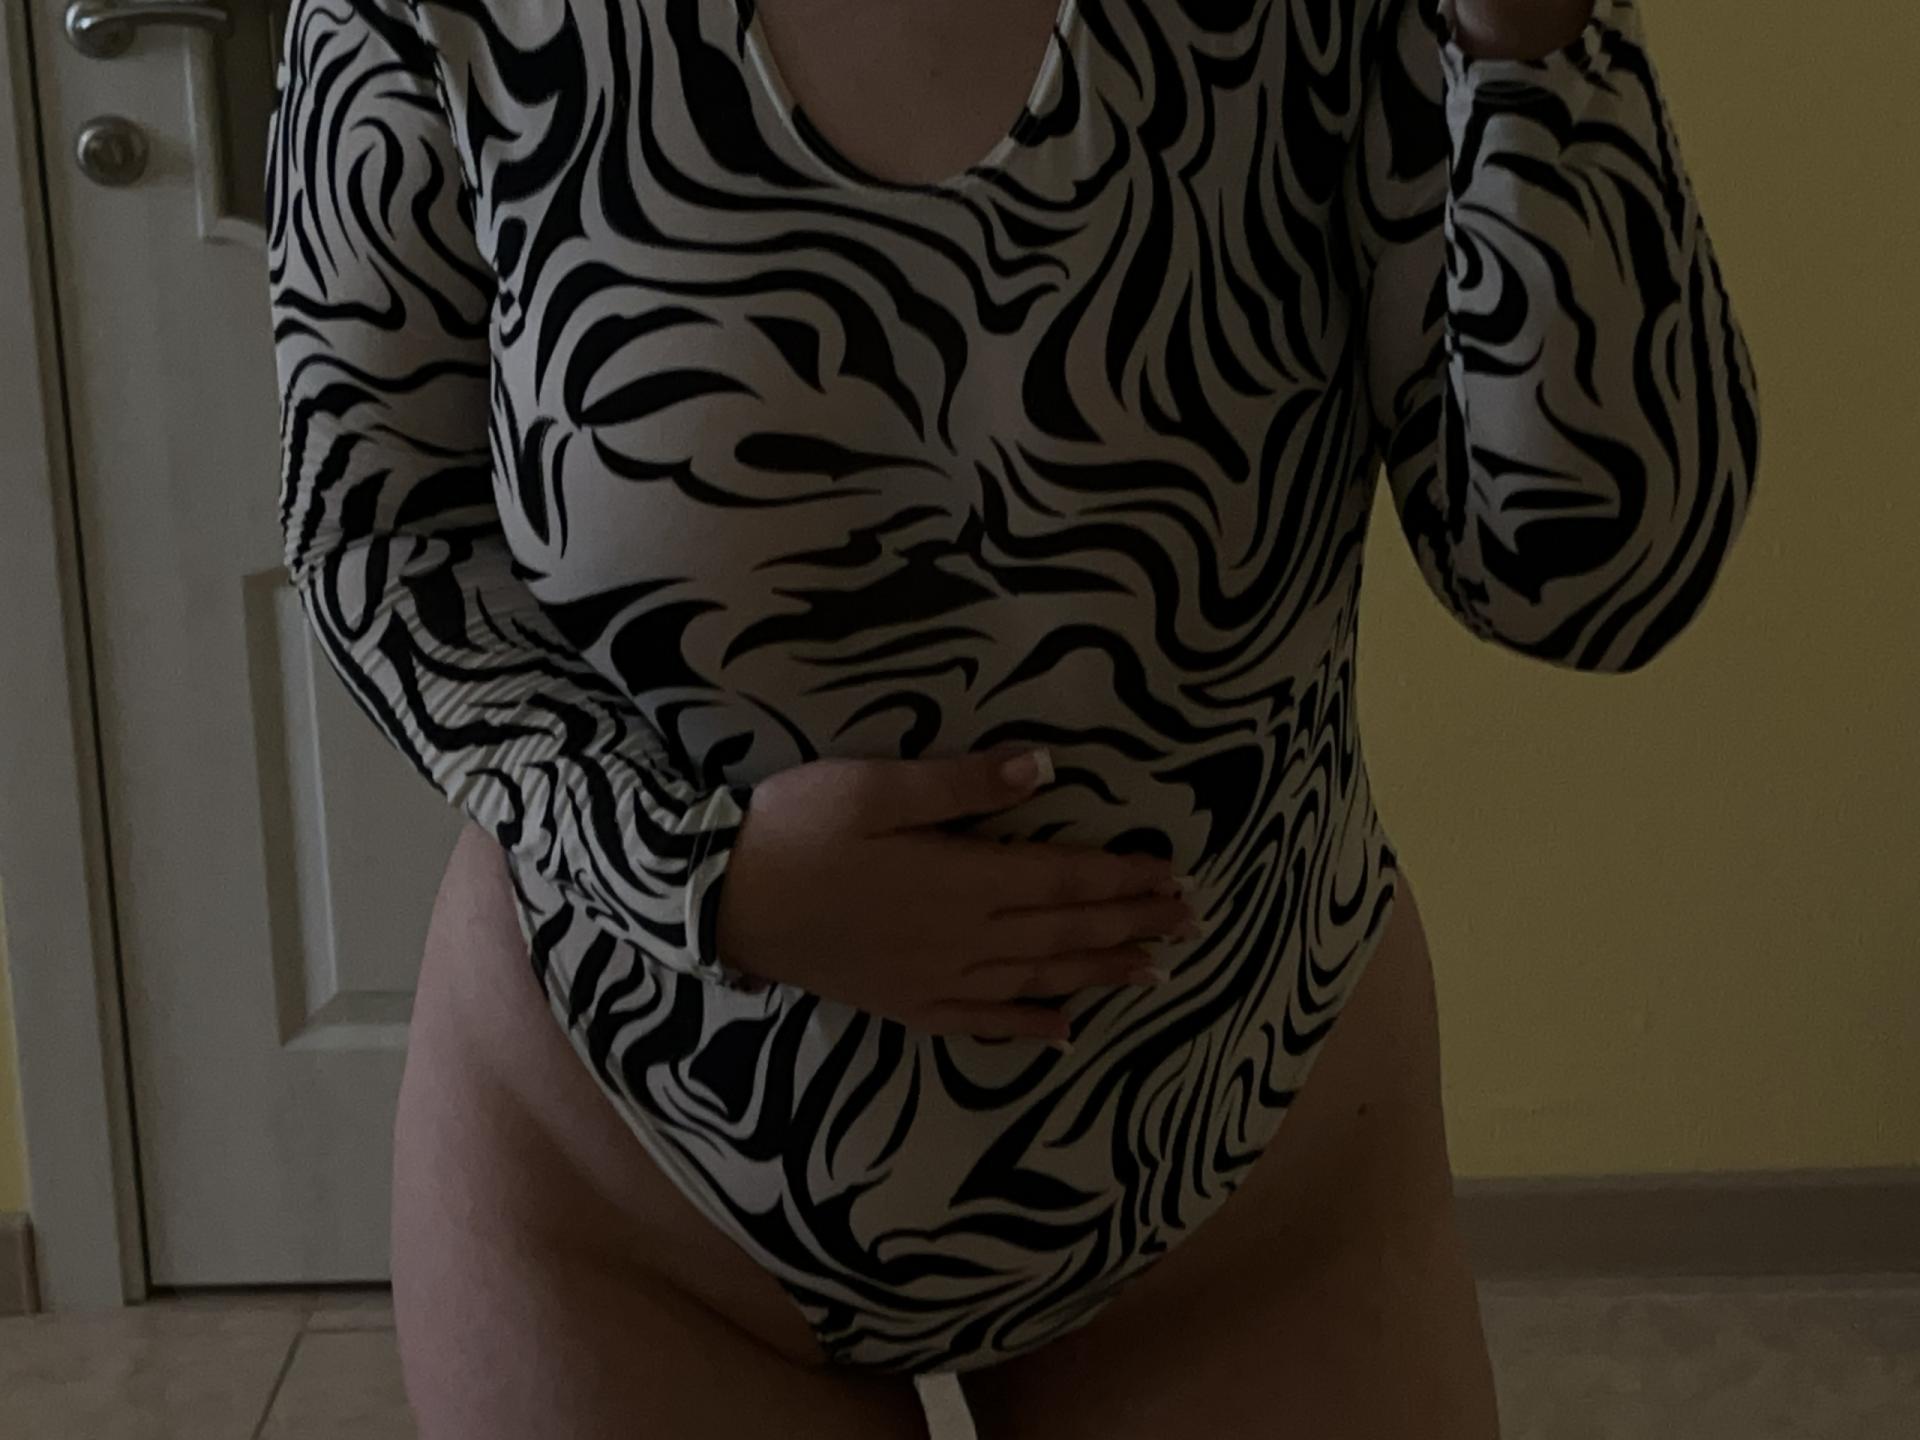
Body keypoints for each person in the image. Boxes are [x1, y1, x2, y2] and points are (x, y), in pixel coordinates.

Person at [266, 0, 1760, 1433]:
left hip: (1242, 1162)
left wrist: (1536, 43)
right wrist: (695, 873)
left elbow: (1592, 584)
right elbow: (378, 536)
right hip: (632, 1190)